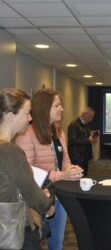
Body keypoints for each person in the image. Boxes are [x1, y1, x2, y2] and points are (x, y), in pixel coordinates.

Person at [15, 89, 83, 250]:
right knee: (35, 241)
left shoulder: (59, 132)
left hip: (59, 196)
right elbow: (27, 171)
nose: (62, 109)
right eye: (57, 105)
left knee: (57, 243)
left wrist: (71, 169)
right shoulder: (27, 134)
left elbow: (65, 160)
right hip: (37, 198)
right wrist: (61, 175)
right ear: (45, 108)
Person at [0, 88, 54, 249]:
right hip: (16, 230)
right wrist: (47, 206)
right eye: (27, 113)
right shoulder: (11, 151)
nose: (30, 118)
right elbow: (30, 192)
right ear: (10, 116)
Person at [67, 107, 97, 175]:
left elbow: (86, 138)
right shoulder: (74, 125)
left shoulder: (85, 125)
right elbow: (72, 141)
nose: (91, 120)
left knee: (84, 175)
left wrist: (91, 140)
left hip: (84, 156)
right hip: (76, 157)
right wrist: (88, 140)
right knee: (77, 177)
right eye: (90, 117)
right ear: (85, 115)